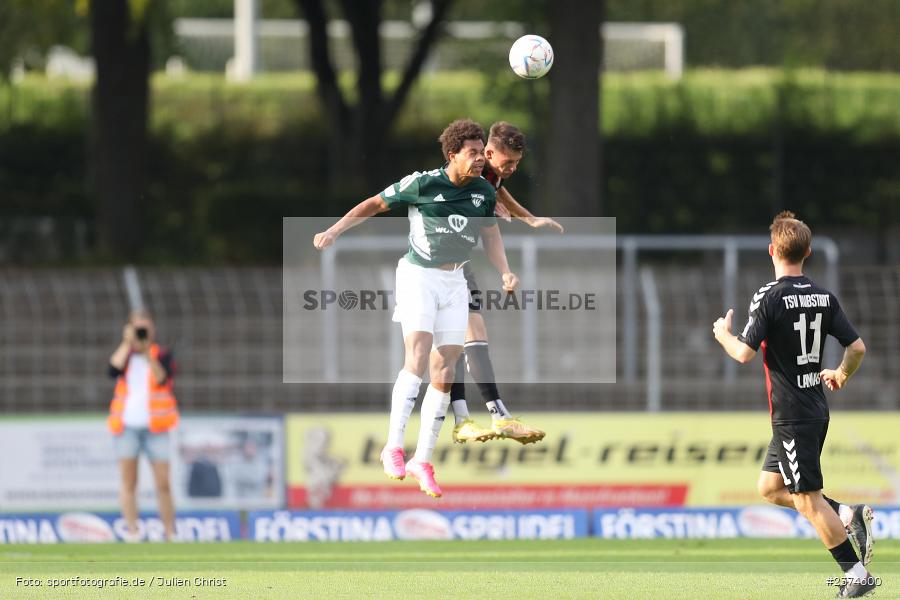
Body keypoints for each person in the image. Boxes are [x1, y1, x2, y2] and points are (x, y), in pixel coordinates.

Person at [313, 119, 518, 498]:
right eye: (472, 153)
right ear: (452, 154)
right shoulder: (422, 183)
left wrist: (505, 271)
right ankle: (393, 445)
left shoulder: (482, 193)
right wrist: (334, 230)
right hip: (418, 276)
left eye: (480, 153)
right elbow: (374, 203)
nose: (479, 160)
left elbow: (491, 236)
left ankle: (422, 459)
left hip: (455, 281)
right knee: (418, 353)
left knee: (445, 367)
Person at [712, 211, 876, 598]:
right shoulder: (823, 296)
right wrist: (840, 374)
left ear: (772, 251)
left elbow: (743, 354)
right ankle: (847, 513)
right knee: (770, 487)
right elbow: (857, 348)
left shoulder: (768, 297)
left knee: (806, 498)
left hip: (792, 416)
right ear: (808, 252)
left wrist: (722, 334)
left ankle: (856, 574)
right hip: (814, 408)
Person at [448, 121, 563, 446]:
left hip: (459, 265)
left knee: (464, 338)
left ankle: (483, 417)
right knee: (439, 351)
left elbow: (498, 194)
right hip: (430, 269)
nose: (512, 168)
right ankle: (468, 418)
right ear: (487, 153)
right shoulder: (468, 175)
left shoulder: (489, 177)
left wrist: (528, 219)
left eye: (516, 163)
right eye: (507, 161)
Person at [107, 309, 179, 541]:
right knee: (129, 481)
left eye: (144, 328)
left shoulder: (162, 354)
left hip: (156, 428)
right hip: (127, 426)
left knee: (163, 482)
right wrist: (127, 343)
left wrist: (147, 351)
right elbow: (111, 369)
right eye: (136, 327)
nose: (140, 332)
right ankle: (133, 531)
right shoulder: (125, 355)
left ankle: (170, 533)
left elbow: (162, 378)